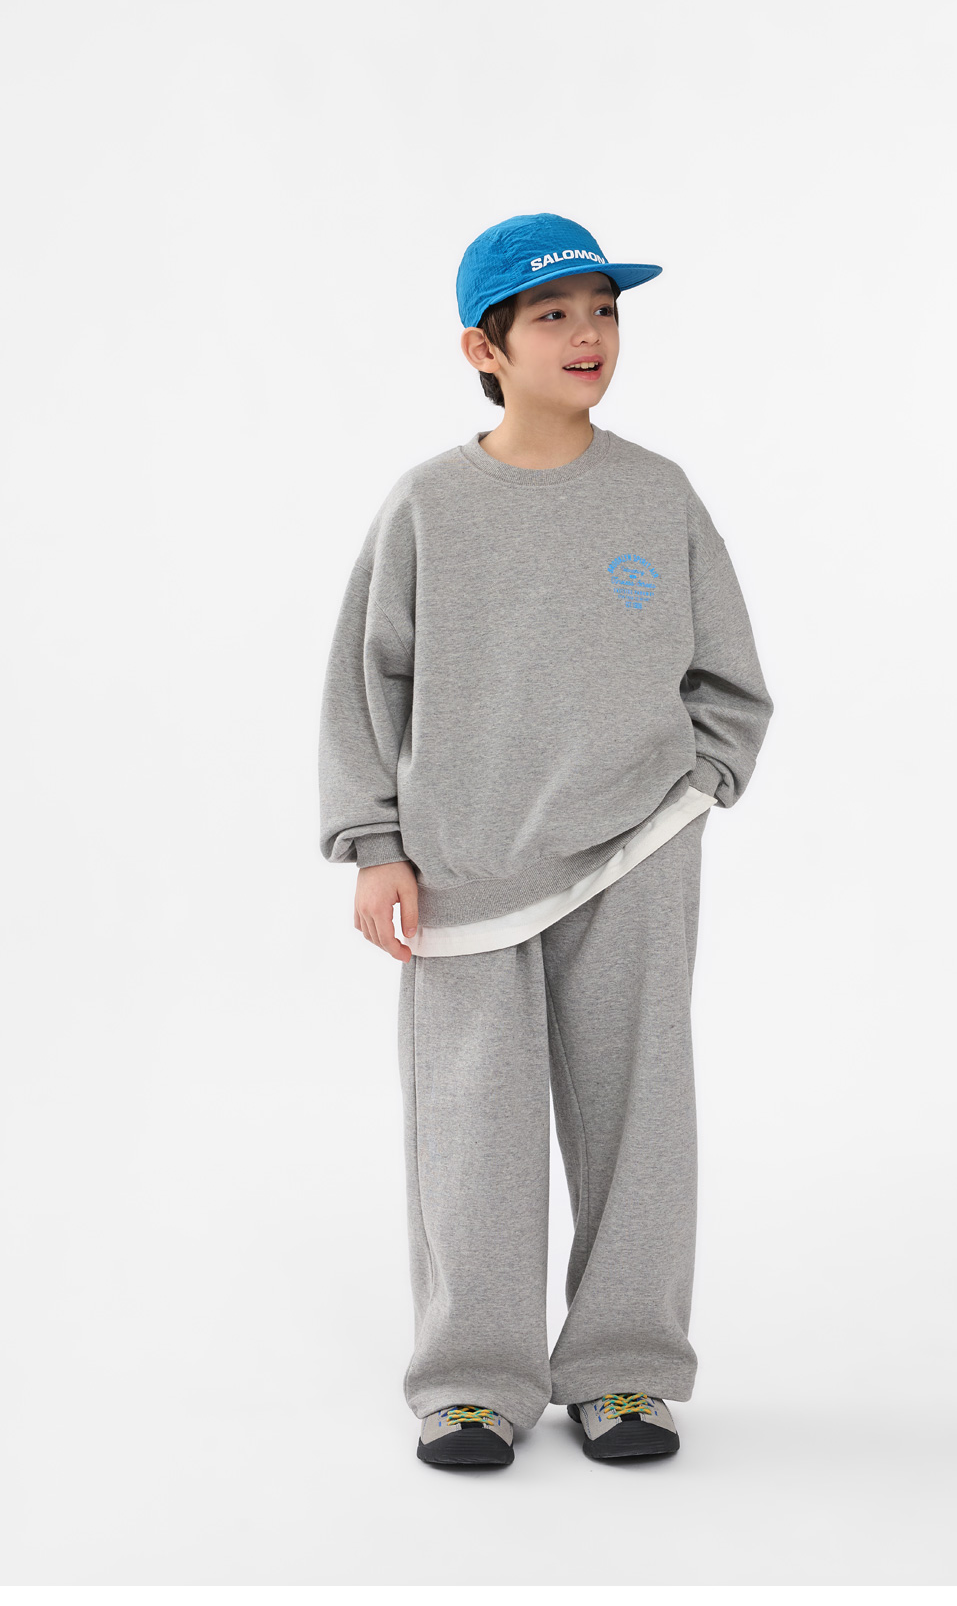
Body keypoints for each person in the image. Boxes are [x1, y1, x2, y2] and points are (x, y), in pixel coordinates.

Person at [318, 212, 775, 1469]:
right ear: (486, 346)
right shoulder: (428, 506)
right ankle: (473, 1380)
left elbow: (729, 679)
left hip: (637, 851)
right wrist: (374, 844)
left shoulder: (658, 494)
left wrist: (699, 786)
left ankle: (625, 1370)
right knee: (472, 1128)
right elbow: (364, 685)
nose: (589, 334)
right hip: (465, 866)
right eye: (555, 313)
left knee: (641, 1115)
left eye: (605, 309)